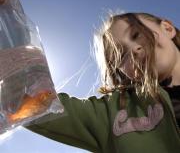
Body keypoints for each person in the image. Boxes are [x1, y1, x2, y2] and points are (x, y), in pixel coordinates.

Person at [24, 12, 180, 153]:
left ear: (167, 28)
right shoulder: (112, 114)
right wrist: (8, 15)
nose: (133, 49)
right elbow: (26, 98)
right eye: (121, 55)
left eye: (136, 34)